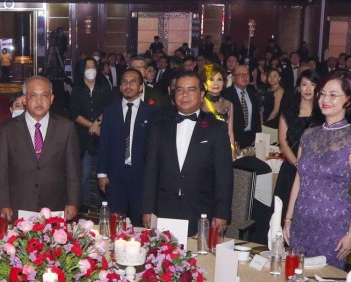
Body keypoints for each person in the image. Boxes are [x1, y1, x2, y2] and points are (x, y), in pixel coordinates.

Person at [283, 70, 351, 268]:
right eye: (322, 93)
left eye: (333, 95)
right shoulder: (308, 135)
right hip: (301, 222)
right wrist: (288, 218)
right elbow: (299, 178)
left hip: (333, 227)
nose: (325, 99)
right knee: (295, 278)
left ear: (348, 100)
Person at [141, 71, 233, 236]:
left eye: (191, 89)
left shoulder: (216, 129)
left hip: (201, 212)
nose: (184, 95)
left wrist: (221, 213)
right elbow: (150, 172)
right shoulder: (159, 127)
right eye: (180, 90)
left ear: (202, 94)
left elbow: (224, 176)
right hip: (164, 210)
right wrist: (147, 208)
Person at [0, 75, 81, 220]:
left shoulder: (66, 128)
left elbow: (73, 170)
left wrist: (73, 202)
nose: (39, 101)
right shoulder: (7, 130)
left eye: (44, 95)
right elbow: (1, 171)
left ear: (52, 99)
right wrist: (4, 204)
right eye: (33, 95)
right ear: (24, 100)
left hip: (56, 205)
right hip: (20, 204)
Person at [98, 69, 158, 220]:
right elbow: (104, 143)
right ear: (120, 87)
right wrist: (101, 173)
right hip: (115, 176)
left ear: (140, 87)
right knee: (116, 221)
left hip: (141, 175)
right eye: (124, 82)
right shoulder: (110, 111)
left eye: (133, 82)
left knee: (140, 221)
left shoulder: (152, 112)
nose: (128, 85)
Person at [70, 57, 114, 211]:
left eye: (93, 66)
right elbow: (74, 114)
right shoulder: (77, 90)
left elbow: (109, 108)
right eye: (87, 66)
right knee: (84, 174)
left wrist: (97, 123)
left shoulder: (104, 87)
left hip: (103, 134)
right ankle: (86, 206)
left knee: (104, 172)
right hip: (84, 137)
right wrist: (91, 126)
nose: (91, 69)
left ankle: (105, 204)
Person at [275, 69, 323, 206]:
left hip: (315, 169)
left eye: (313, 84)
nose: (308, 89)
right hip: (291, 166)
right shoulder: (288, 111)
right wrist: (297, 164)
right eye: (304, 84)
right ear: (298, 88)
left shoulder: (323, 114)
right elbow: (283, 142)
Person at [0, 92, 26, 216]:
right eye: (17, 106)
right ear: (11, 109)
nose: (21, 109)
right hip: (11, 189)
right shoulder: (3, 131)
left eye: (24, 106)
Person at [199, 63, 236, 152]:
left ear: (224, 83)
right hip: (203, 148)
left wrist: (232, 151)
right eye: (211, 79)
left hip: (223, 147)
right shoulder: (199, 103)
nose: (216, 83)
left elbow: (230, 132)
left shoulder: (228, 104)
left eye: (219, 79)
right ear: (204, 84)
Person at [223, 65, 261, 149]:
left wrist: (258, 137)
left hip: (251, 138)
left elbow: (257, 118)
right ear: (233, 78)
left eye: (247, 74)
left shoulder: (252, 93)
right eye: (241, 75)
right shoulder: (226, 95)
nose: (245, 77)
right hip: (234, 139)